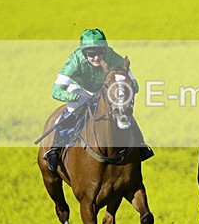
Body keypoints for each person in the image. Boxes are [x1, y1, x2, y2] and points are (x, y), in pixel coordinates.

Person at [44, 28, 153, 172]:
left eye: (100, 52)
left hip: (104, 90)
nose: (96, 57)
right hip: (79, 90)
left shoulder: (114, 57)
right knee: (73, 109)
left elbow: (135, 84)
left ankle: (140, 144)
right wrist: (74, 97)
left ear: (105, 50)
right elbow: (56, 90)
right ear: (83, 53)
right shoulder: (74, 61)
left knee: (123, 110)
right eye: (91, 54)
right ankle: (55, 149)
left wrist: (121, 92)